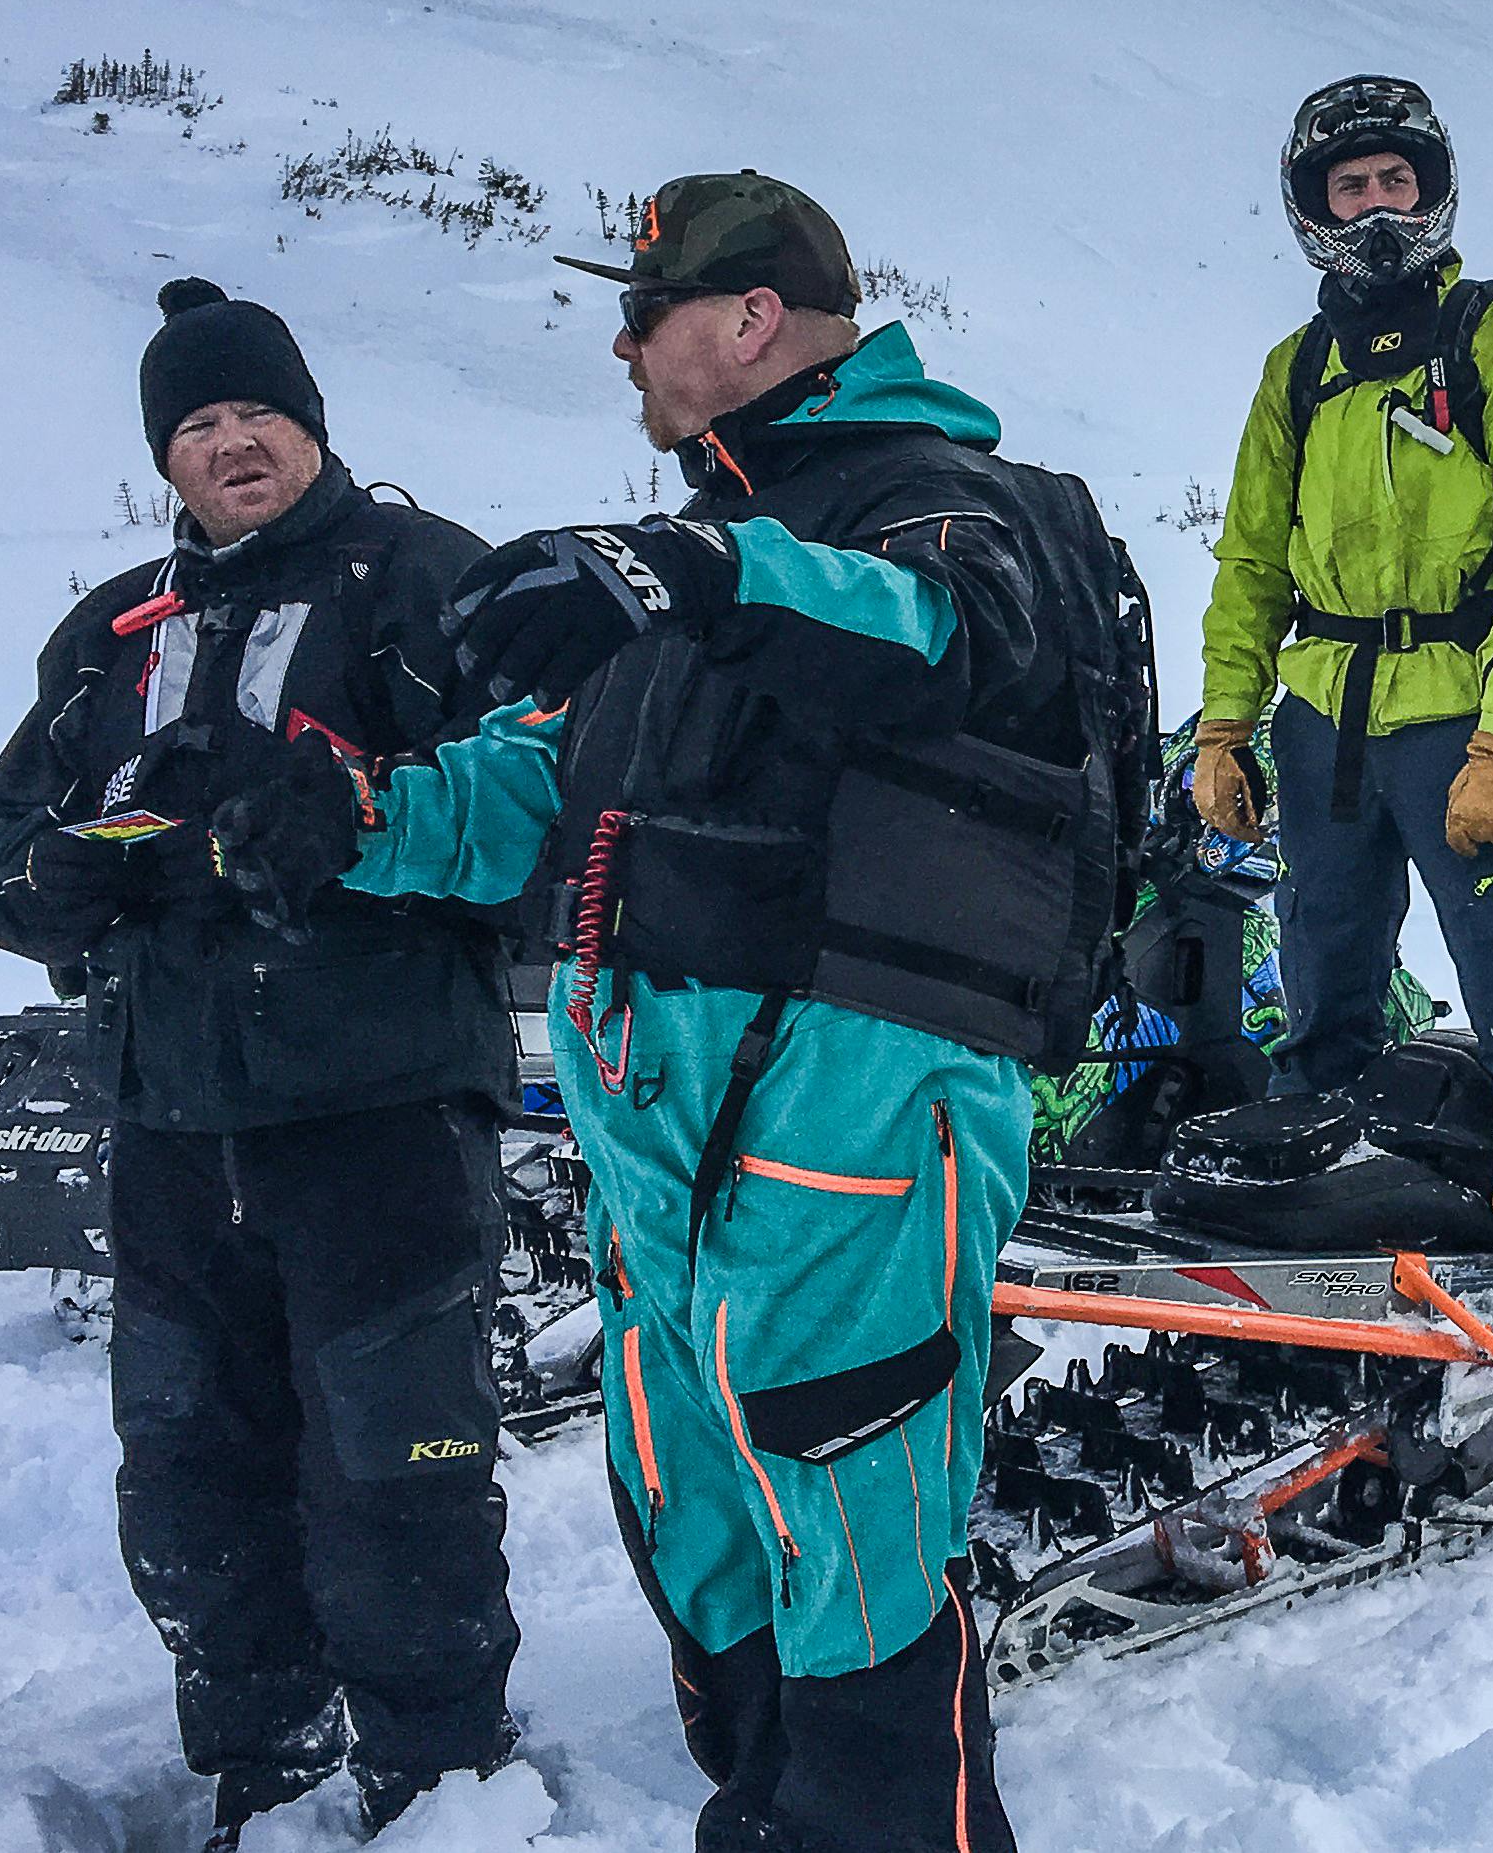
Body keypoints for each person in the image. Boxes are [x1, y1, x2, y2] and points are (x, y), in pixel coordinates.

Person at [224, 171, 1127, 1853]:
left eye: (644, 317)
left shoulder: (941, 502)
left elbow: (939, 635)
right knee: (697, 1520)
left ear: (752, 319)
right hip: (661, 1130)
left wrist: (686, 575)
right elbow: (548, 781)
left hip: (844, 1100)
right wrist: (354, 820)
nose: (624, 351)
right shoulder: (705, 542)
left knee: (848, 1523)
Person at [0, 280, 511, 1849]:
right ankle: (261, 1754)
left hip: (377, 1105)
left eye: (253, 411)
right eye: (195, 424)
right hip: (169, 1115)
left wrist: (352, 819)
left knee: (392, 1464)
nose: (229, 442)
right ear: (166, 460)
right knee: (190, 1471)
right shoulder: (112, 628)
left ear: (310, 421)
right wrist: (46, 883)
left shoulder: (420, 576)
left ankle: (439, 1773)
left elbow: (536, 814)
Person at [1191, 74, 1493, 1089]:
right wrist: (1223, 728)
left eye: (1393, 178)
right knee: (1320, 1007)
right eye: (1349, 185)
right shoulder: (1297, 369)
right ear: (1312, 206)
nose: (1374, 204)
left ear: (1432, 192)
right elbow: (1249, 560)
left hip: (1463, 724)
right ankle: (1323, 1215)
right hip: (1322, 722)